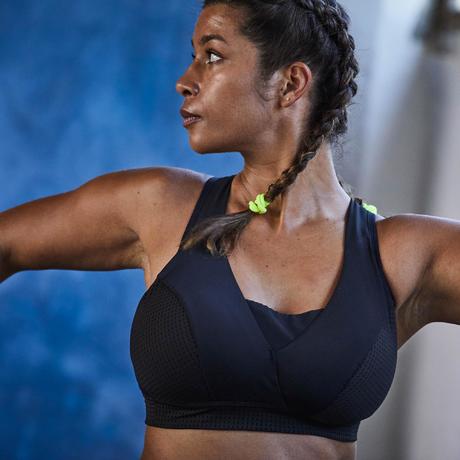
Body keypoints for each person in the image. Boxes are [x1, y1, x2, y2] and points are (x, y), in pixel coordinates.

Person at [1, 1, 459, 459]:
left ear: (290, 84)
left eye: (212, 55)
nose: (185, 80)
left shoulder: (404, 254)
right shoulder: (160, 206)